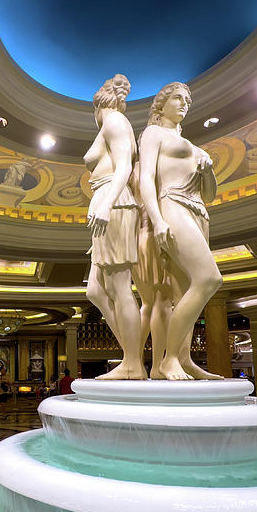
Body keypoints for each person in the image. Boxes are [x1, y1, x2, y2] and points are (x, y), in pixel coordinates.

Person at [139, 82, 223, 380]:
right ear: (161, 105)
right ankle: (169, 359)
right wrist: (157, 219)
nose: (184, 103)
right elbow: (147, 179)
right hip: (171, 203)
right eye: (177, 98)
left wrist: (208, 169)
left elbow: (210, 194)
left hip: (199, 210)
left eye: (187, 99)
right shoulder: (153, 134)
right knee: (209, 278)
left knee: (185, 291)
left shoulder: (195, 147)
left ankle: (184, 359)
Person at [84, 74, 146, 380]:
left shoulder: (115, 122)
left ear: (99, 103)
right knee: (95, 291)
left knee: (121, 287)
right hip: (106, 201)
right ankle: (130, 353)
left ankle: (133, 363)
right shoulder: (110, 125)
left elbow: (124, 167)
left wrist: (107, 205)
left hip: (114, 200)